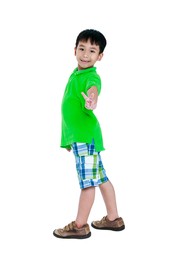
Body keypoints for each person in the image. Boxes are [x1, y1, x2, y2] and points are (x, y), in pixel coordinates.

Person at [53, 29, 125, 239]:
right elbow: (71, 111)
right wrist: (68, 140)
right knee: (100, 178)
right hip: (83, 139)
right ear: (74, 50)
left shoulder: (91, 76)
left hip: (86, 139)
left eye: (92, 51)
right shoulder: (76, 73)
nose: (85, 54)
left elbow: (93, 89)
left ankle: (79, 225)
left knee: (88, 183)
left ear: (100, 56)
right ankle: (114, 219)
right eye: (82, 49)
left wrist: (92, 100)